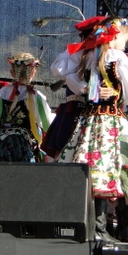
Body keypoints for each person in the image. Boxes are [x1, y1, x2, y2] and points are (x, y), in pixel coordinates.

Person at [58, 17, 128, 243]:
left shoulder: (88, 56)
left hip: (91, 122)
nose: (124, 45)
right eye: (124, 40)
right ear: (115, 37)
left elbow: (67, 76)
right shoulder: (118, 58)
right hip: (112, 121)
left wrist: (87, 90)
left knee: (98, 169)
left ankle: (99, 228)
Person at [42, 15, 107, 159]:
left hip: (98, 112)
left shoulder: (110, 55)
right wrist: (78, 51)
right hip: (76, 110)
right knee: (66, 150)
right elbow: (58, 70)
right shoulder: (80, 53)